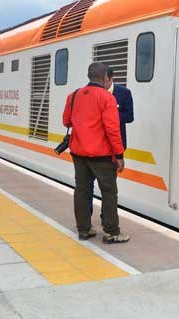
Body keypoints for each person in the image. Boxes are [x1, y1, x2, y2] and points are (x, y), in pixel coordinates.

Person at [63, 62, 129, 243]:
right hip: (102, 156)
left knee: (82, 191)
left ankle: (84, 230)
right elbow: (112, 130)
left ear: (89, 76)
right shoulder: (107, 98)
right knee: (108, 192)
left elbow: (66, 121)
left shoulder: (74, 95)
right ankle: (112, 231)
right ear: (105, 78)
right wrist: (120, 155)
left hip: (78, 153)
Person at [89, 69, 134, 222]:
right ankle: (87, 219)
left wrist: (111, 114)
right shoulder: (92, 93)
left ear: (110, 78)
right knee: (88, 185)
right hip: (93, 146)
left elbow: (130, 117)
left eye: (105, 81)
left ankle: (106, 217)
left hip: (114, 148)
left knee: (108, 186)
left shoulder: (124, 93)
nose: (103, 84)